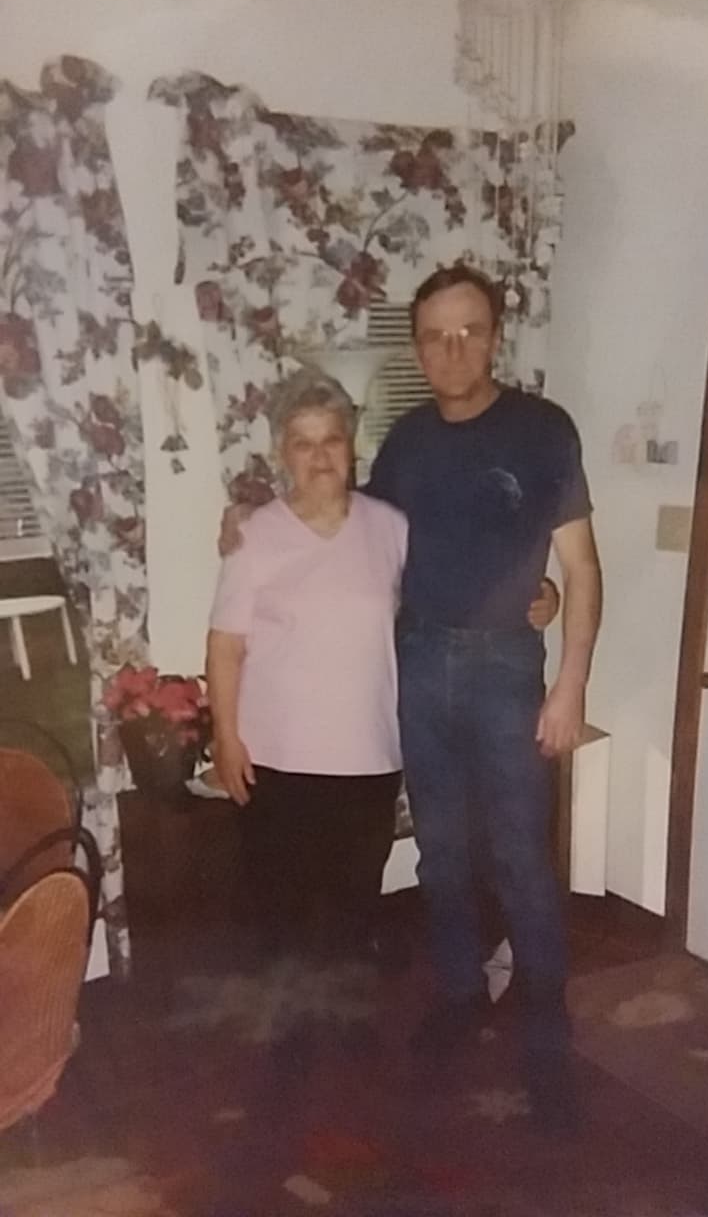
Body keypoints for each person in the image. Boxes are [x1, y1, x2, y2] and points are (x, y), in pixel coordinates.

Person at [365, 264, 602, 1129]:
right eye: (435, 335)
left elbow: (580, 568)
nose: (453, 349)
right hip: (421, 661)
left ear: (495, 336)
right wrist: (254, 525)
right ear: (417, 348)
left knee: (519, 858)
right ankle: (461, 994)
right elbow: (352, 539)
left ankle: (546, 1035)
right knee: (441, 852)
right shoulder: (405, 442)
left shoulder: (543, 429)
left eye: (469, 331)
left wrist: (570, 683)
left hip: (507, 669)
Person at [207, 369, 407, 970]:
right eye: (304, 443)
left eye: (332, 439)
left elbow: (443, 599)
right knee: (281, 920)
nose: (320, 457)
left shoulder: (391, 527)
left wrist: (538, 597)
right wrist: (225, 738)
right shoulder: (255, 535)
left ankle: (348, 1012)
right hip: (278, 761)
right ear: (282, 454)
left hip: (368, 758)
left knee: (354, 916)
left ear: (352, 444)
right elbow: (225, 646)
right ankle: (286, 1022)